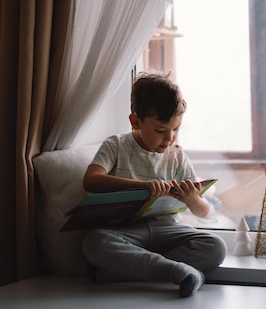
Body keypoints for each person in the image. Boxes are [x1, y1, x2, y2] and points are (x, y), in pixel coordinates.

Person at [81, 71, 227, 298]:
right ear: (135, 122)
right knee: (94, 242)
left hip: (166, 230)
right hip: (125, 232)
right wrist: (142, 186)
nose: (170, 138)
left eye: (176, 129)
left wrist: (192, 199)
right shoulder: (116, 146)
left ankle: (121, 272)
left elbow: (204, 211)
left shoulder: (177, 156)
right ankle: (176, 270)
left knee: (215, 247)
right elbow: (90, 180)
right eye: (161, 130)